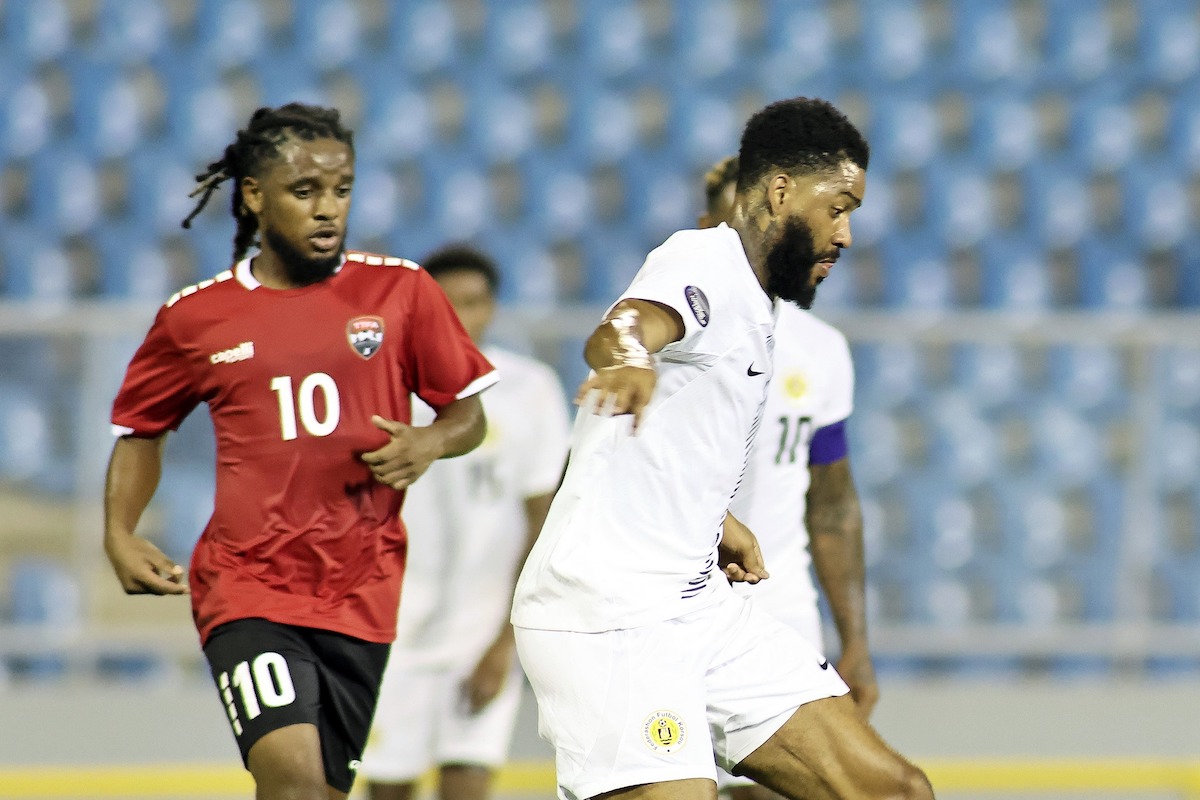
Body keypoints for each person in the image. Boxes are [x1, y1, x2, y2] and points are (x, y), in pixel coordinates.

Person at [511, 97, 933, 800]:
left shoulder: (762, 303)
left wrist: (715, 521)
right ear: (780, 191)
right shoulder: (703, 259)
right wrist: (626, 360)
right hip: (610, 613)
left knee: (893, 790)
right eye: (839, 207)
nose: (848, 234)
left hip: (698, 602)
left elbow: (684, 433)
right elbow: (626, 325)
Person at [104, 103, 497, 800]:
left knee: (315, 793)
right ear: (254, 195)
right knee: (293, 785)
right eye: (305, 191)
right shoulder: (197, 316)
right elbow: (143, 429)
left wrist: (430, 442)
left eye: (341, 190)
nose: (328, 210)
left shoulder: (400, 291)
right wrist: (119, 533)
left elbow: (467, 413)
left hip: (362, 589)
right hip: (248, 583)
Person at [362, 245, 571, 800]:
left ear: (492, 307)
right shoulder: (385, 388)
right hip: (395, 630)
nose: (461, 316)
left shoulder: (530, 389)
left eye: (473, 302)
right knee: (387, 788)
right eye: (445, 304)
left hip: (480, 632)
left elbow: (543, 521)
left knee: (467, 784)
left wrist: (507, 640)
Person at [702, 154, 877, 800]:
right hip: (681, 598)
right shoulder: (679, 332)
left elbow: (831, 504)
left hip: (779, 603)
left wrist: (854, 638)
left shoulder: (821, 349)